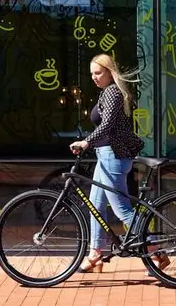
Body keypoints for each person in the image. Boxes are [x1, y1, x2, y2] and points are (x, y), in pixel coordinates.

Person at [69, 53, 170, 275]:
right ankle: (96, 252)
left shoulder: (113, 92)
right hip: (104, 155)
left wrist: (86, 142)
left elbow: (107, 127)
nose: (94, 77)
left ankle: (156, 250)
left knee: (122, 209)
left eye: (98, 73)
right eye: (92, 74)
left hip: (113, 156)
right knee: (95, 205)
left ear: (109, 72)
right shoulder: (107, 93)